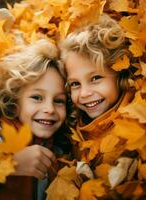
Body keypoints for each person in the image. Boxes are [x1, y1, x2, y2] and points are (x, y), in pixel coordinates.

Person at [57, 13, 146, 198]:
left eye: (95, 78)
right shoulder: (76, 122)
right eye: (75, 84)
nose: (84, 93)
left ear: (119, 74)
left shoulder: (137, 121)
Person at [0, 38, 70, 200]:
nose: (49, 109)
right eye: (37, 97)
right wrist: (10, 164)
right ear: (16, 100)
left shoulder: (59, 155)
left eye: (59, 101)